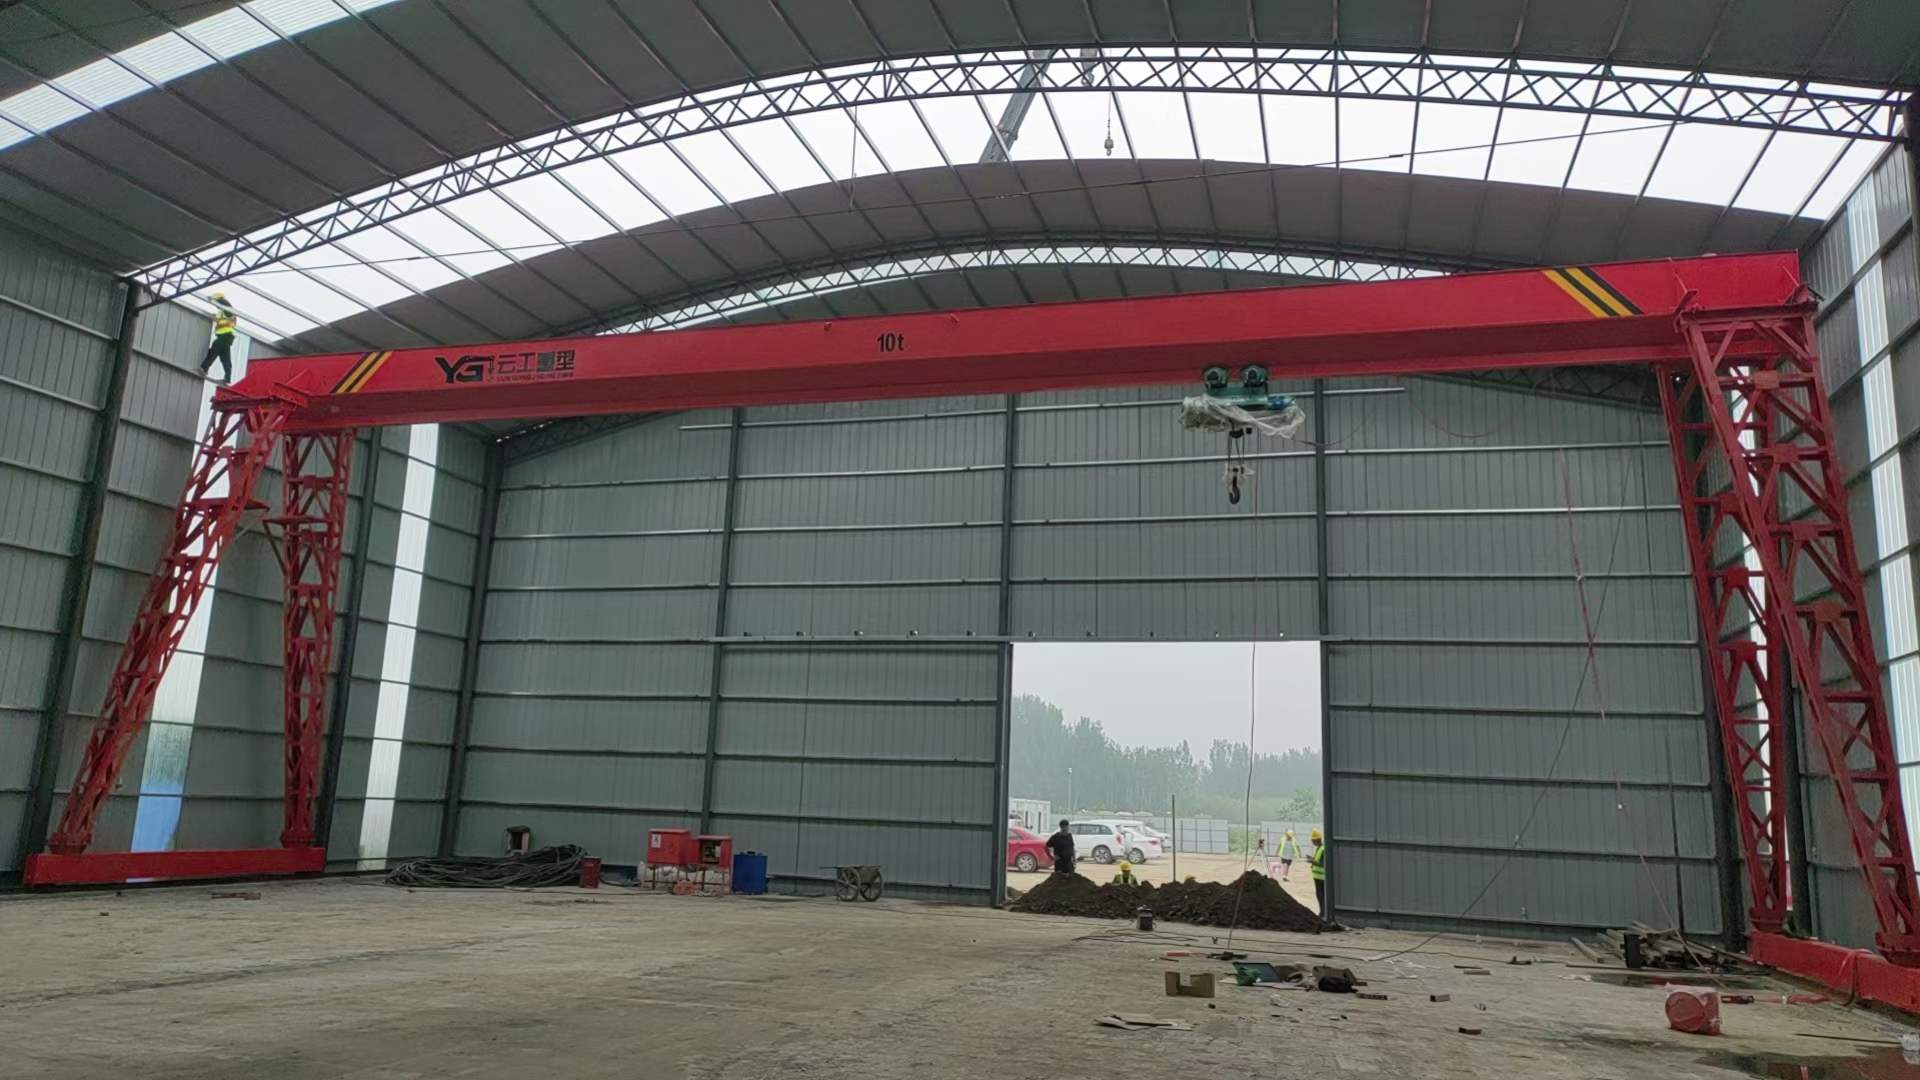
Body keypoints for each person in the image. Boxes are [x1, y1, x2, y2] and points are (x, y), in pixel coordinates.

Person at [199, 292, 238, 384]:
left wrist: (214, 298)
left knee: (213, 351)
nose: (216, 305)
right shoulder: (221, 312)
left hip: (225, 336)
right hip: (226, 337)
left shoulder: (227, 310)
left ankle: (203, 368)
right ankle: (227, 378)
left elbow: (226, 305)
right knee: (225, 358)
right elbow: (217, 318)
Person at [1309, 828, 1327, 918]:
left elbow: (1324, 864)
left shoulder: (1323, 849)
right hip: (1317, 877)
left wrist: (1313, 862)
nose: (1312, 842)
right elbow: (1318, 860)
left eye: (1312, 840)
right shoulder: (1319, 848)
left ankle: (1323, 913)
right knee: (1320, 896)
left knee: (1322, 896)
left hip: (1322, 878)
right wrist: (1312, 859)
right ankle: (1322, 912)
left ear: (1317, 840)